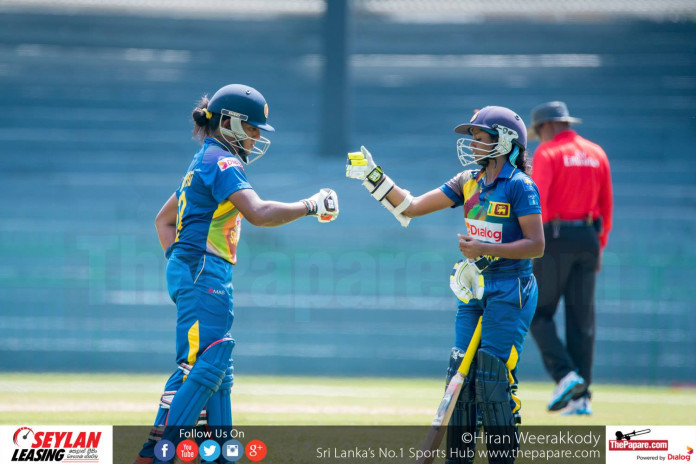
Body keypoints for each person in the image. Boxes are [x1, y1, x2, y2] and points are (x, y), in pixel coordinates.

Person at [133, 83, 339, 464]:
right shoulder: (222, 162)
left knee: (217, 369)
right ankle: (153, 456)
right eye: (254, 127)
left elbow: (163, 222)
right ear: (228, 122)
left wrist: (182, 267)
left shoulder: (204, 159)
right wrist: (310, 205)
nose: (258, 136)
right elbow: (259, 213)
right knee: (200, 366)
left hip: (201, 274)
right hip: (204, 275)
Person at [346, 106, 544, 463]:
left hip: (511, 288)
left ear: (504, 142)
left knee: (492, 378)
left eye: (480, 138)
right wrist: (372, 177)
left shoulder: (520, 186)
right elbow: (411, 207)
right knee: (460, 379)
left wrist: (485, 248)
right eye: (472, 138)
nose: (472, 145)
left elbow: (537, 245)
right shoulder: (467, 181)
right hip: (476, 289)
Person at [527, 101, 613, 416]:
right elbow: (606, 207)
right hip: (589, 239)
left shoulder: (547, 154)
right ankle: (582, 398)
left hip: (555, 237)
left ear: (547, 126)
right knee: (582, 322)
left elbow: (538, 204)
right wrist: (598, 246)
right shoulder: (596, 153)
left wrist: (532, 244)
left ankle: (565, 376)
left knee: (536, 312)